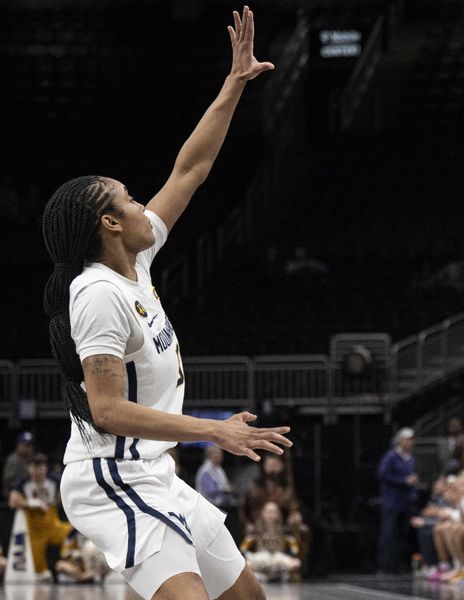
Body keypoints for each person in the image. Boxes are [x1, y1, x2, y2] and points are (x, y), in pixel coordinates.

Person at [41, 7, 292, 600]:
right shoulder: (98, 292)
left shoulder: (137, 261)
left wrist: (234, 85)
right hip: (112, 478)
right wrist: (213, 432)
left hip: (155, 473)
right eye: (129, 200)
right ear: (109, 223)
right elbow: (107, 410)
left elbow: (193, 167)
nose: (140, 205)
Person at [8, 453, 73, 579]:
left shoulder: (54, 480)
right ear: (29, 468)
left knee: (73, 531)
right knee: (39, 573)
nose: (37, 471)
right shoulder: (23, 482)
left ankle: (70, 561)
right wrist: (34, 503)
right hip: (34, 531)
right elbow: (12, 501)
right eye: (34, 467)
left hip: (52, 525)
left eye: (40, 467)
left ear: (45, 468)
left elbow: (69, 495)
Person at [376, 427, 418, 573]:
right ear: (400, 440)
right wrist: (403, 481)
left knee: (401, 534)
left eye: (412, 440)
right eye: (407, 439)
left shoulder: (410, 458)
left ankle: (397, 564)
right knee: (388, 533)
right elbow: (382, 475)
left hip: (405, 502)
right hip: (391, 502)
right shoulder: (391, 456)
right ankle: (385, 565)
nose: (410, 442)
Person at [2, 431, 35, 498]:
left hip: (27, 493)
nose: (29, 448)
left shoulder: (31, 459)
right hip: (13, 494)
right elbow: (8, 481)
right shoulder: (13, 459)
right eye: (26, 445)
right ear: (19, 445)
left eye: (30, 445)